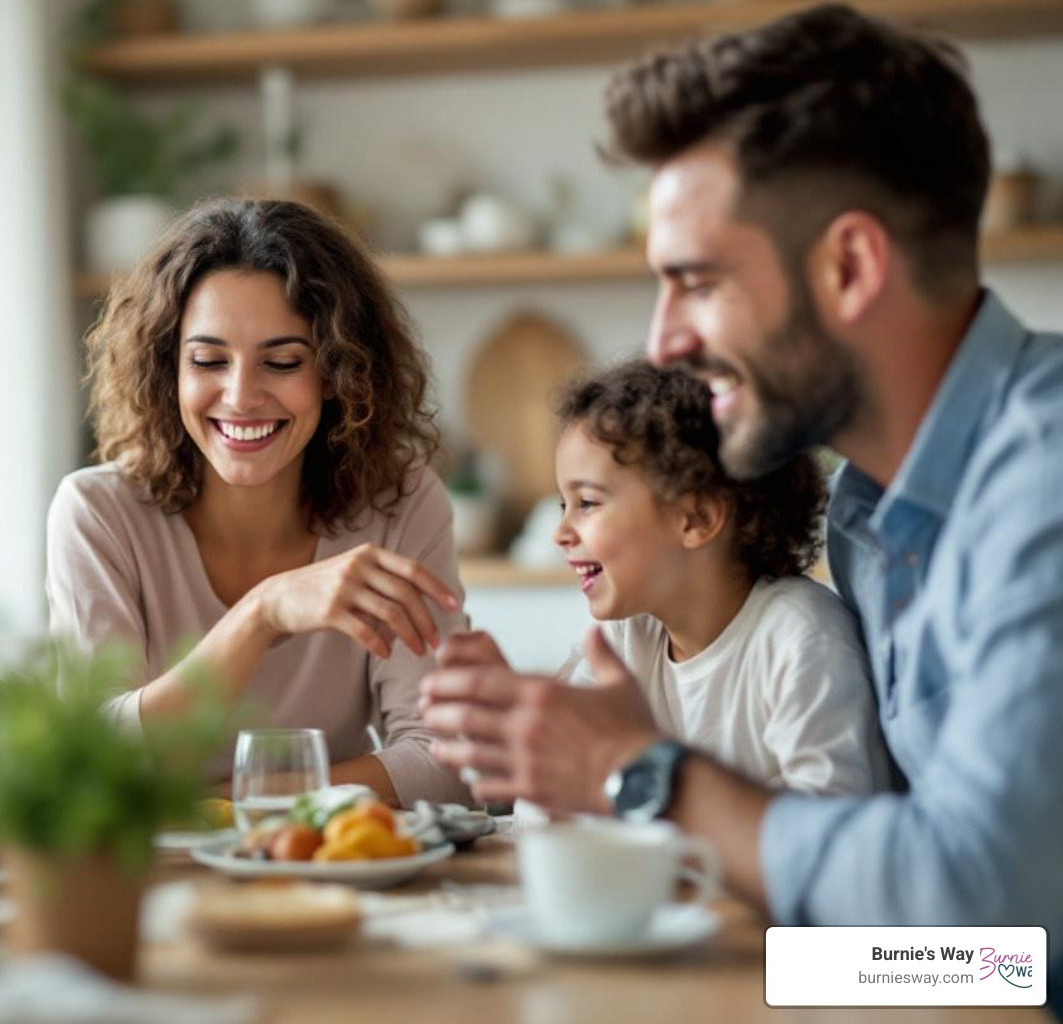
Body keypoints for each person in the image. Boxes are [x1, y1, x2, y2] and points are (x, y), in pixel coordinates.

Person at [422, 0, 1063, 986]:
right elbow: (967, 958)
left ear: (850, 267)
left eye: (697, 281)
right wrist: (735, 974)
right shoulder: (869, 512)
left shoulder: (1041, 481)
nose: (665, 338)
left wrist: (640, 774)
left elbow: (990, 925)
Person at [47, 197, 469, 806]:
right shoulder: (96, 514)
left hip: (319, 858)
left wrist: (223, 806)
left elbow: (444, 761)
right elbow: (94, 760)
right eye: (208, 361)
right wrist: (262, 613)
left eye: (282, 361)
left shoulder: (401, 504)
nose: (241, 396)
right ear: (168, 371)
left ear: (337, 372)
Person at [449, 360, 886, 796]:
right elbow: (557, 786)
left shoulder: (803, 639)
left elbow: (830, 821)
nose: (560, 533)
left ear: (697, 518)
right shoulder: (626, 636)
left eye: (588, 502)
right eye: (565, 505)